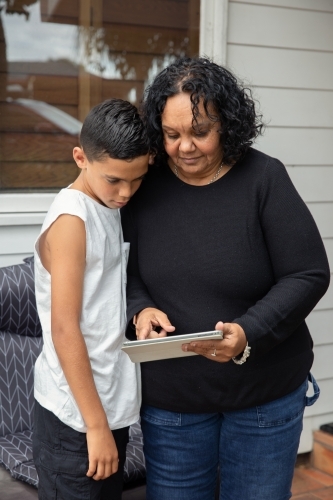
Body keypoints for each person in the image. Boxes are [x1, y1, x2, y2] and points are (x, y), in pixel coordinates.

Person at [121, 58, 331, 500]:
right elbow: (125, 268)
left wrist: (247, 333)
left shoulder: (264, 178)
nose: (185, 147)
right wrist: (140, 308)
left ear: (229, 123)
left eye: (201, 132)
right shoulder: (144, 184)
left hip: (263, 397)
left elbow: (308, 272)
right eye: (172, 134)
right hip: (173, 401)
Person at [32, 99, 150, 500]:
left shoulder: (106, 204)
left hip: (103, 405)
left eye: (137, 180)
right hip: (76, 420)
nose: (126, 192)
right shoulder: (72, 221)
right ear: (80, 158)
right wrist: (96, 426)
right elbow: (65, 329)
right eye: (115, 180)